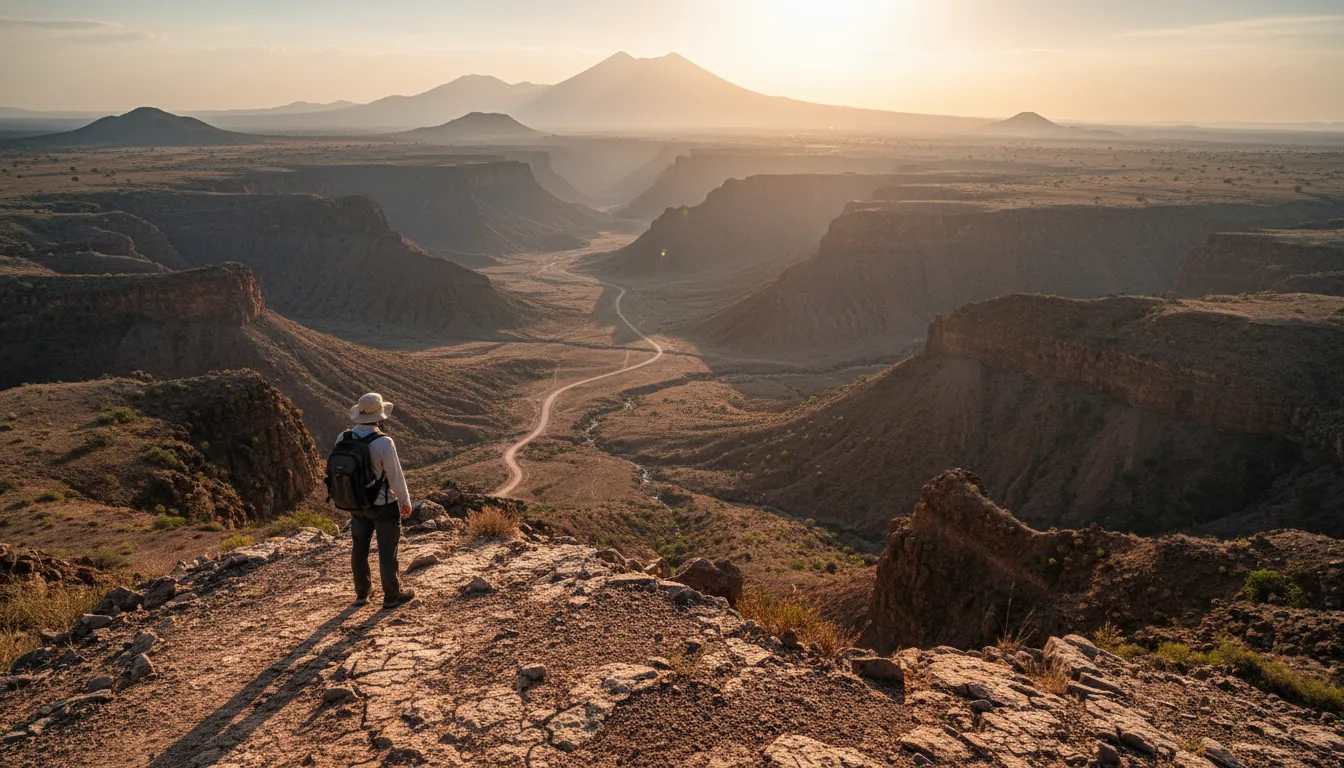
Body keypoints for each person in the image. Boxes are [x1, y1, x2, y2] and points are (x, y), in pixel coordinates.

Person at [339, 392, 416, 609]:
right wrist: (405, 501)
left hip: (356, 504)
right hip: (382, 505)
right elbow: (395, 476)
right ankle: (392, 595)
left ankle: (362, 594)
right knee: (387, 550)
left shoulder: (343, 438)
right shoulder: (384, 442)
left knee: (359, 548)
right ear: (380, 418)